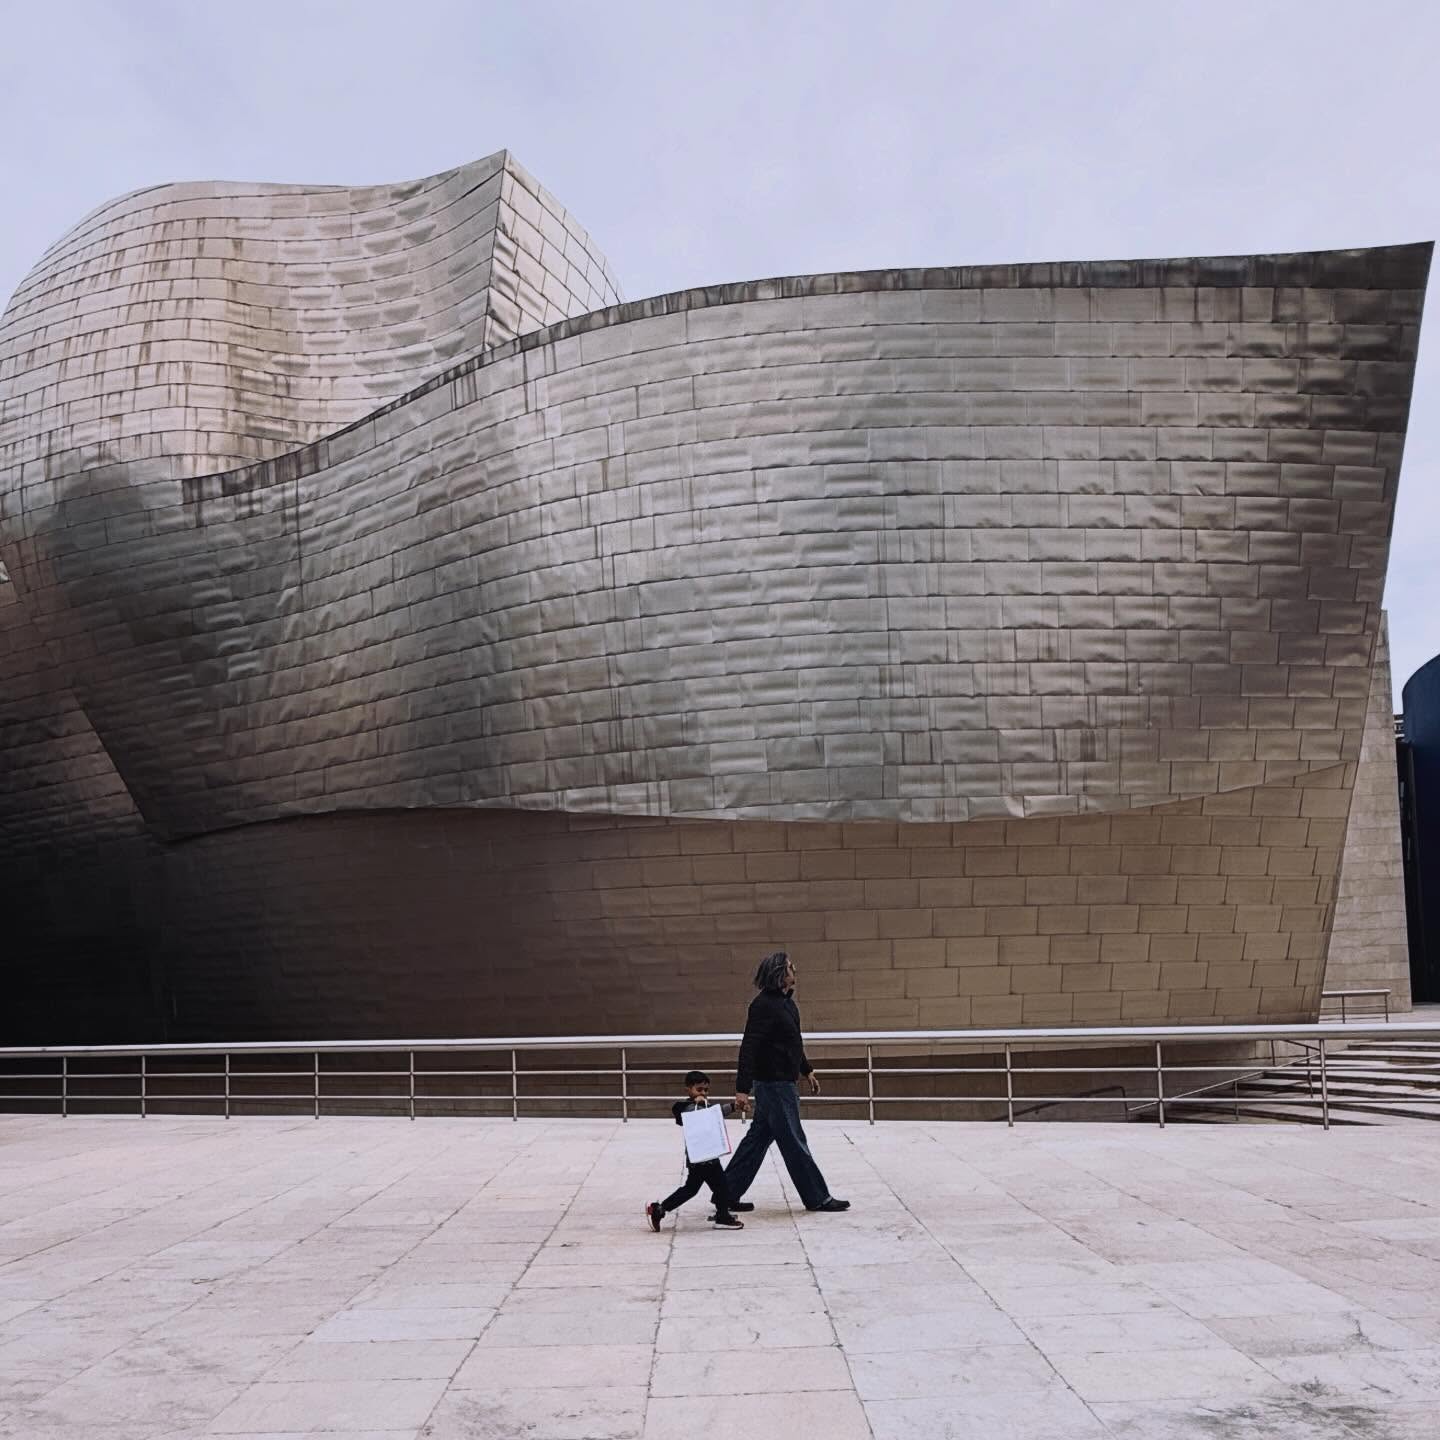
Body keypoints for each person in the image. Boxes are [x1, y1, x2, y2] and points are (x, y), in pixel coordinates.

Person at [723, 952, 850, 1213]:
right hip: (774, 1086)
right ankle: (818, 1197)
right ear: (780, 973)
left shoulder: (787, 1004)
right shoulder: (763, 1006)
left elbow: (792, 1043)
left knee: (756, 1141)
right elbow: (750, 1047)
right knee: (793, 1140)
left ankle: (725, 1194)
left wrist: (807, 1070)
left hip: (782, 1083)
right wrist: (742, 1089)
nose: (796, 969)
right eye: (791, 966)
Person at [645, 1070, 755, 1231]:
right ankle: (723, 1217)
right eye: (699, 1089)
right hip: (701, 1158)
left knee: (693, 1189)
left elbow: (716, 1112)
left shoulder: (704, 1107)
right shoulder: (688, 1108)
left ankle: (659, 1209)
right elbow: (686, 1114)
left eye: (706, 1090)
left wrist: (734, 1106)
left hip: (706, 1156)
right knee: (720, 1186)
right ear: (688, 1090)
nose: (703, 1093)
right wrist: (700, 1102)